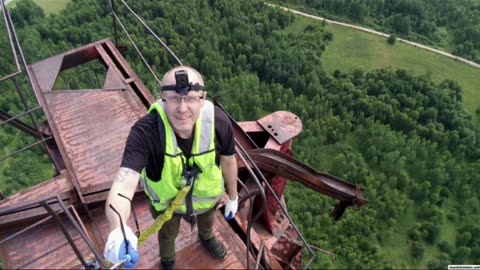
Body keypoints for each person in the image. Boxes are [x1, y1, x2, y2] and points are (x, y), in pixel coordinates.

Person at [103, 66, 238, 269]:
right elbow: (123, 185)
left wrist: (234, 197)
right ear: (163, 98)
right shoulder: (146, 132)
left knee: (207, 224)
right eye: (174, 98)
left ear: (203, 98)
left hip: (206, 199)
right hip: (167, 207)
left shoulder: (218, 122)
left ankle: (206, 238)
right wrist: (118, 230)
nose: (182, 108)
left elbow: (228, 160)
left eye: (191, 98)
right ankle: (167, 260)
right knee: (167, 235)